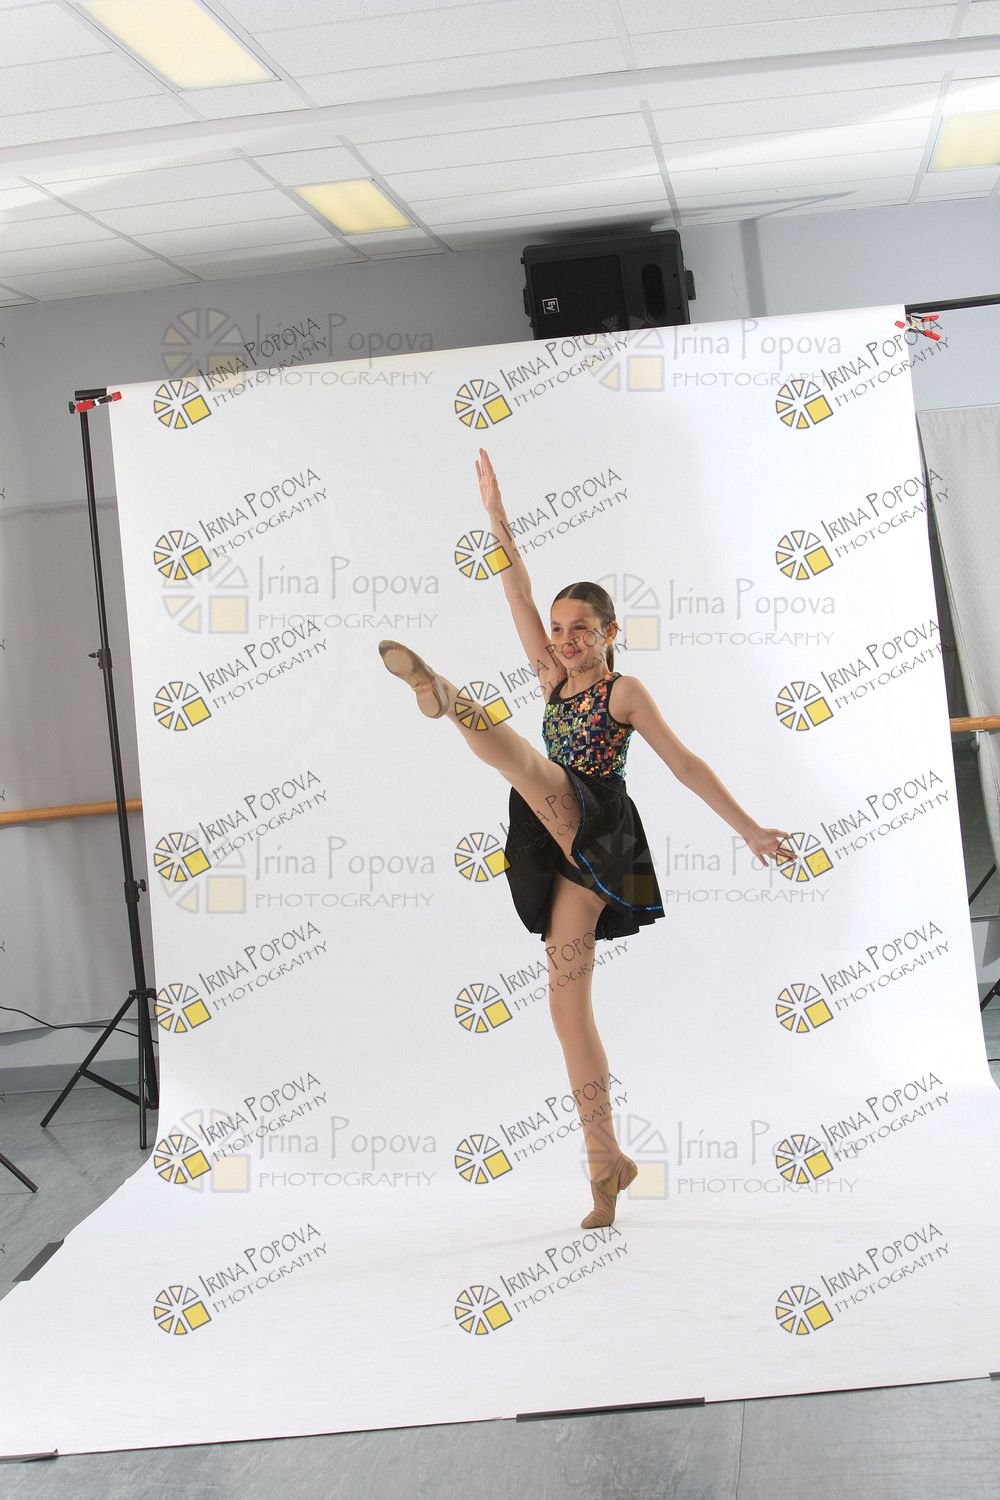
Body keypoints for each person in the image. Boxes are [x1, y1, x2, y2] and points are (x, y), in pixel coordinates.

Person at [378, 449, 789, 1230]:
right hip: (555, 842)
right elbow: (516, 588)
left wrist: (749, 829)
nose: (565, 640)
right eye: (559, 629)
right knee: (567, 1012)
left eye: (581, 630)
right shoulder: (551, 678)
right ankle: (607, 1163)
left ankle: (447, 697)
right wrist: (495, 514)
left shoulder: (622, 691)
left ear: (609, 633)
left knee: (529, 765)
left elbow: (686, 764)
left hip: (598, 828)